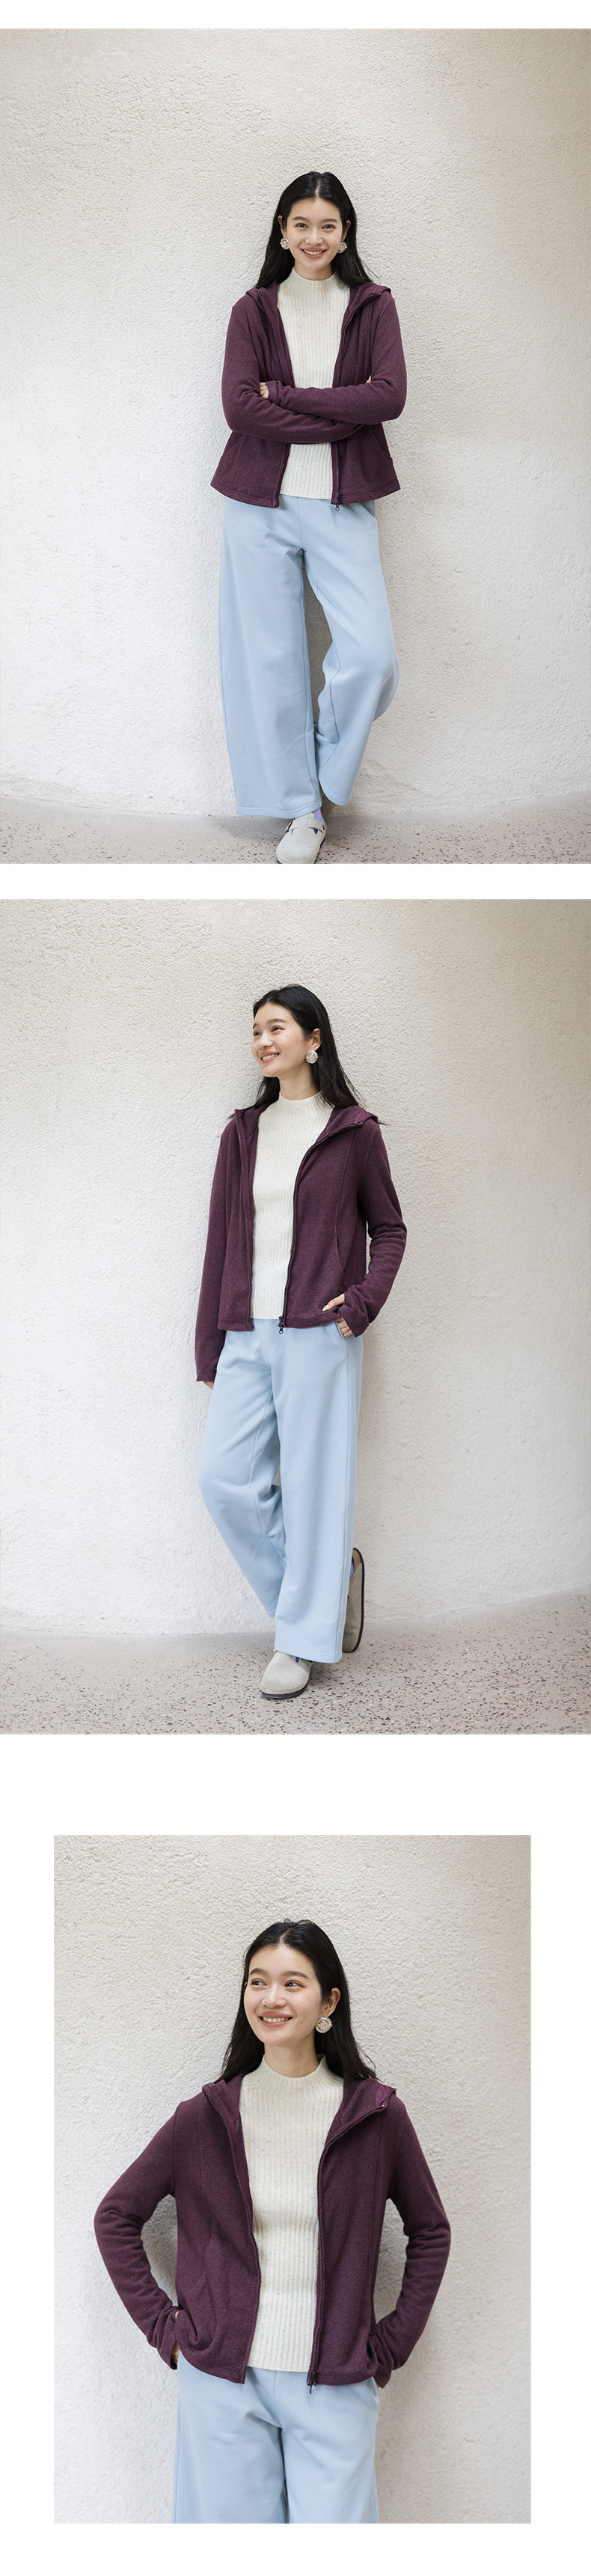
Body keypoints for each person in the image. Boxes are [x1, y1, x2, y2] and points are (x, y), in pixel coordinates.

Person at [94, 1916, 451, 2525]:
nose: (271, 1997)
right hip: (222, 2381)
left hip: (337, 2381)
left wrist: (390, 2344)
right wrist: (167, 2330)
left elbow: (432, 2230)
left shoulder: (376, 2116)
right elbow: (115, 2216)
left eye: (292, 1982)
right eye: (258, 1981)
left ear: (328, 2001)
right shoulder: (204, 2117)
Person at [195, 984, 407, 1698]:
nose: (263, 1040)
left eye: (277, 1027)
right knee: (224, 1479)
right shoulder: (242, 1133)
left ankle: (301, 1640)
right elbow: (221, 1241)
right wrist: (210, 1342)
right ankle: (323, 1589)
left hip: (320, 1331)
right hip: (245, 1331)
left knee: (316, 1489)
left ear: (315, 1039)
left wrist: (363, 1302)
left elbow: (390, 1228)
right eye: (256, 1029)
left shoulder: (354, 1132)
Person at [212, 168, 407, 859]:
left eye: (327, 225)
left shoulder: (373, 306)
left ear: (346, 232)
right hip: (257, 502)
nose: (314, 237)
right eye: (301, 224)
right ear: (283, 230)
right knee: (267, 660)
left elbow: (387, 398)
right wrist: (340, 410)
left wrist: (288, 396)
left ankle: (321, 764)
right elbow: (240, 408)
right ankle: (302, 810)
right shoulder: (254, 309)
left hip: (342, 500)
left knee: (371, 656)